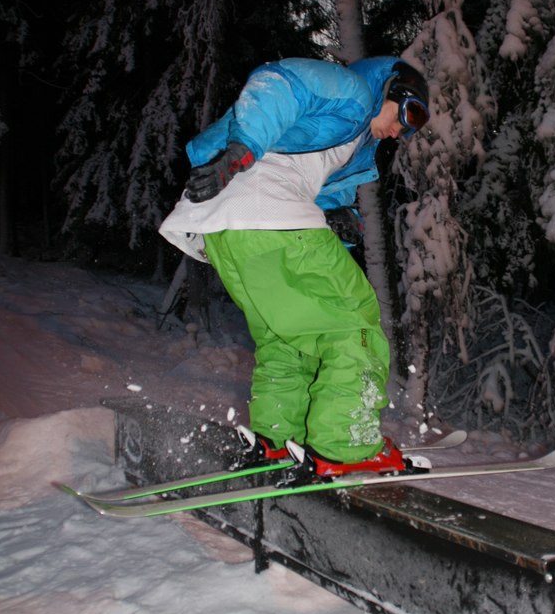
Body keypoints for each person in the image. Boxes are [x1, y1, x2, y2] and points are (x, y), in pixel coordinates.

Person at [159, 56, 430, 479]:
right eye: (409, 114)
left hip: (228, 232)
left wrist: (336, 216)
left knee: (287, 337)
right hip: (268, 212)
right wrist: (239, 150)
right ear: (391, 88)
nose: (403, 131)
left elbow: (304, 177)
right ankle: (346, 443)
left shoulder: (350, 140)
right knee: (353, 322)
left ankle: (276, 438)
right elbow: (280, 82)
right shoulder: (355, 92)